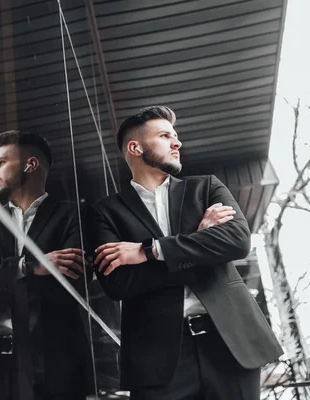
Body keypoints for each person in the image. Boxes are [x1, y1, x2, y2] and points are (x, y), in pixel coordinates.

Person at [89, 106, 283, 400]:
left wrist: (150, 251)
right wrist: (199, 243)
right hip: (156, 358)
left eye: (175, 136)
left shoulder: (205, 188)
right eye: (165, 136)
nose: (177, 143)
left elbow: (237, 241)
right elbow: (118, 283)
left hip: (230, 344)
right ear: (135, 147)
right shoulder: (105, 212)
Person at [0, 130, 92, 400]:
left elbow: (72, 282)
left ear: (29, 164)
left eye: (0, 162)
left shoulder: (75, 216)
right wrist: (28, 267)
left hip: (54, 367)